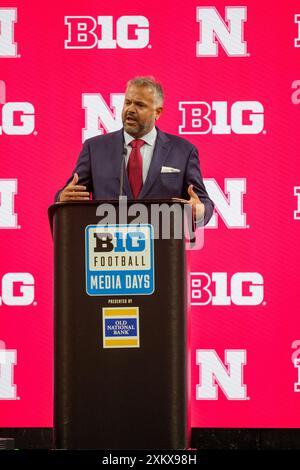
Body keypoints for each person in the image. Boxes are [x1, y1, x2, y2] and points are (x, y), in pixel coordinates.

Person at [55, 76, 214, 225]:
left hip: (163, 247)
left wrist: (199, 211)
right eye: (127, 102)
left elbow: (203, 202)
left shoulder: (183, 151)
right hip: (108, 248)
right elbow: (70, 195)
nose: (130, 109)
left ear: (157, 112)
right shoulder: (94, 149)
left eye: (139, 105)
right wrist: (62, 197)